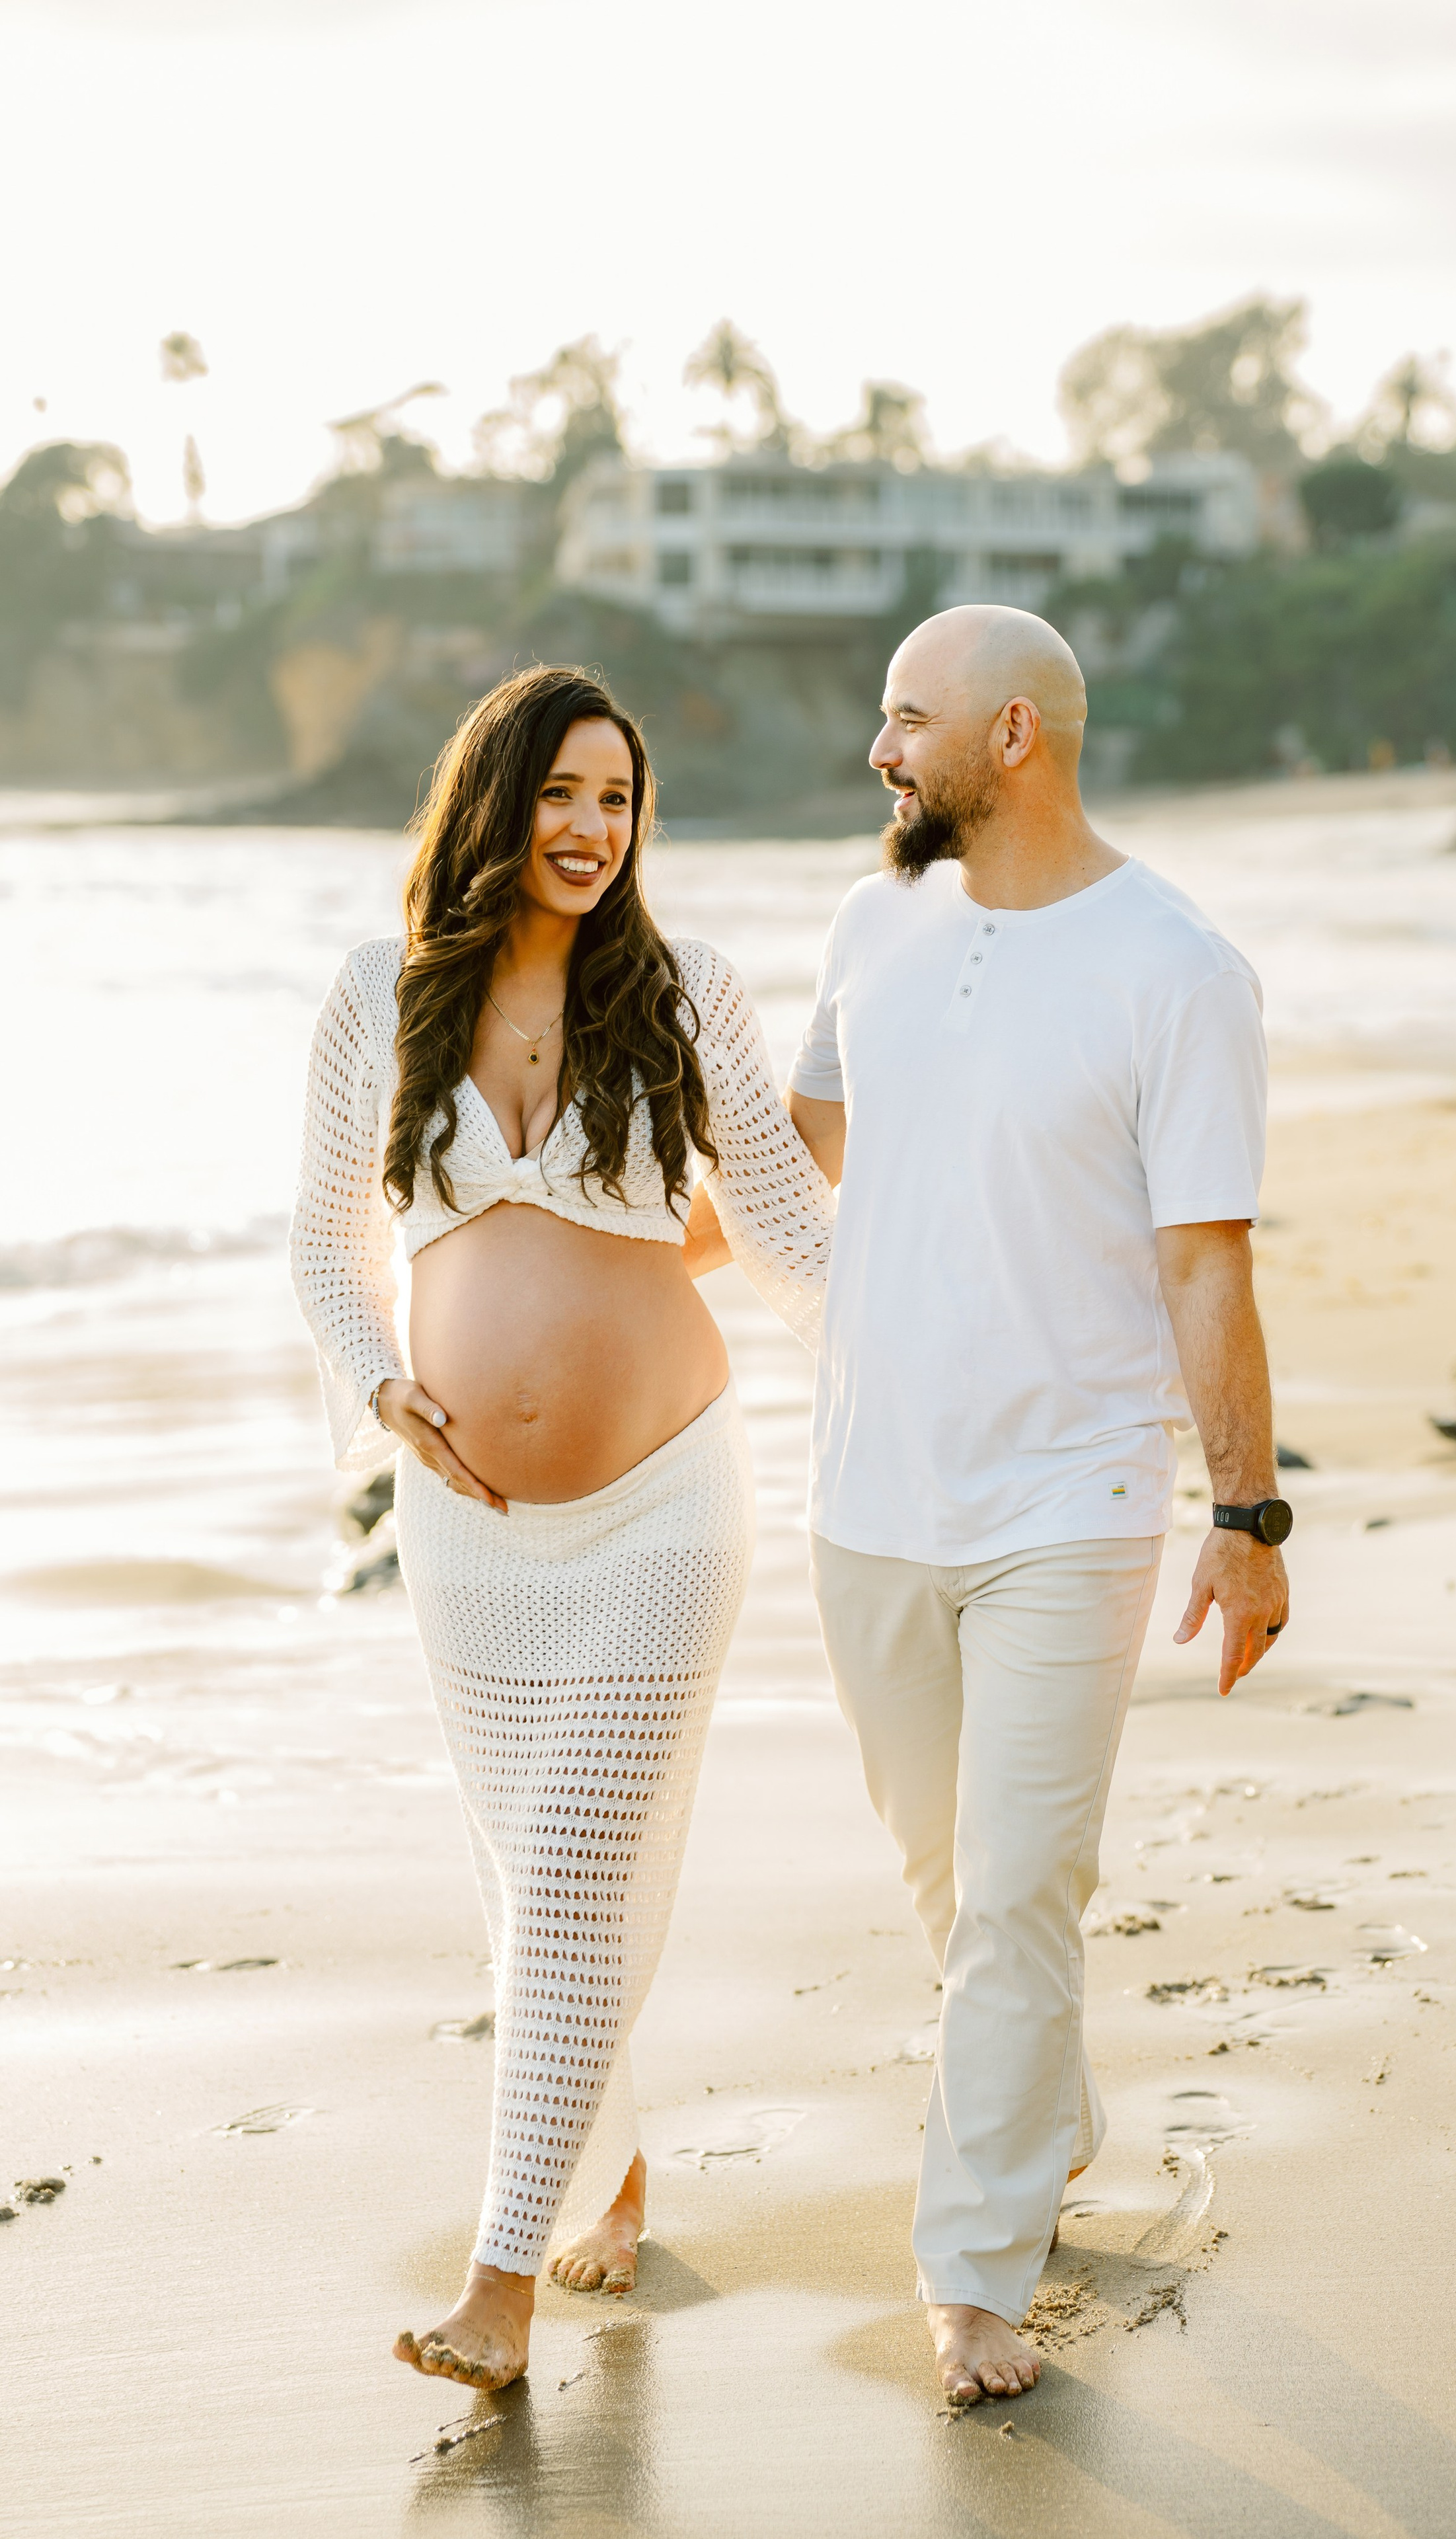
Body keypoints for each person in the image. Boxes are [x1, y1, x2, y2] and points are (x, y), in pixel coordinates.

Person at [289, 666, 833, 2392]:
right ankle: (607, 2163)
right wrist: (383, 1389)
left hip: (664, 1504)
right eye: (564, 793)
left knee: (581, 1858)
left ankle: (498, 2285)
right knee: (530, 1884)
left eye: (620, 797)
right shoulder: (377, 997)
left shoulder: (684, 995)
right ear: (494, 799)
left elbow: (794, 1231)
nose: (595, 827)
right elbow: (321, 1250)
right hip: (464, 1534)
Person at [787, 605, 1289, 2406]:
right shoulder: (868, 923)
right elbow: (792, 1169)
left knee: (1019, 1891)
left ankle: (976, 2261)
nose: (878, 750)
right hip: (866, 1488)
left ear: (1011, 736)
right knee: (949, 1872)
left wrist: (1251, 1515)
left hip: (1071, 1497)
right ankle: (1048, 2101)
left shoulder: (1178, 968)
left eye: (903, 719)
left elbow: (1207, 1264)